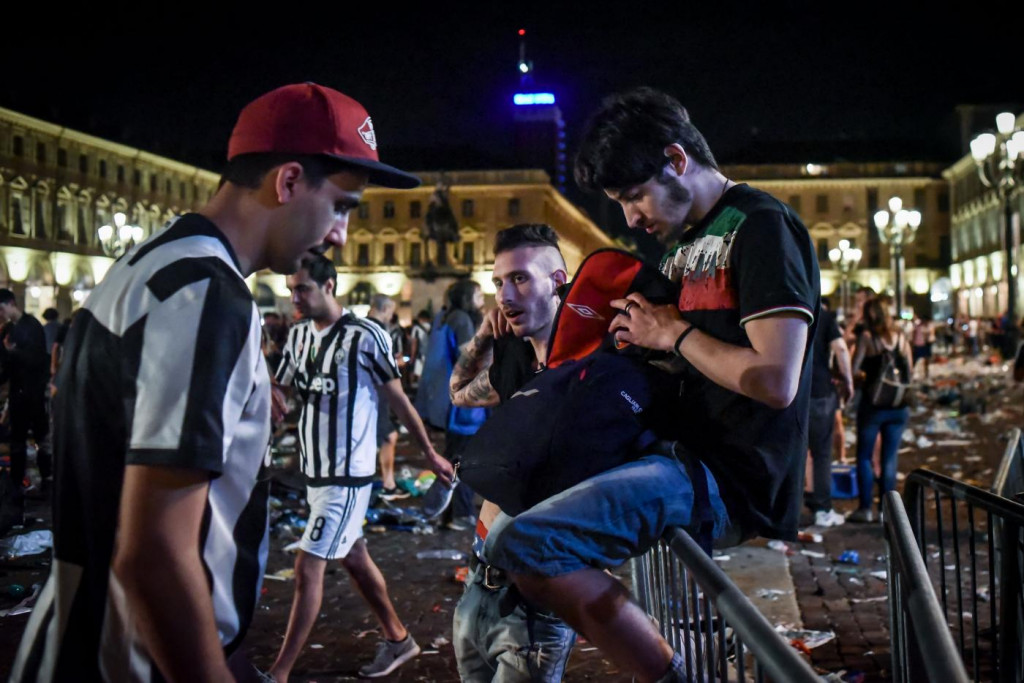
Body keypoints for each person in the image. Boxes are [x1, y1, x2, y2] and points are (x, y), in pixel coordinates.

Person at [11, 82, 422, 682]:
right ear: (286, 182)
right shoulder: (209, 294)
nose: (340, 234)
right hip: (140, 653)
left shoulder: (155, 261)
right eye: (342, 206)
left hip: (89, 631)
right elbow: (154, 552)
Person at [486, 87, 819, 682]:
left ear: (676, 159)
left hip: (726, 474)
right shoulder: (682, 249)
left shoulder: (763, 225)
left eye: (634, 195)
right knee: (504, 516)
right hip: (672, 452)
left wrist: (673, 336)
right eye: (620, 201)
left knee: (525, 545)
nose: (631, 217)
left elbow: (776, 379)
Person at [266, 257, 452, 681]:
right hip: (313, 471)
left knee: (307, 564)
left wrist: (427, 451)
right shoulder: (296, 337)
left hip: (348, 475)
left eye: (303, 289)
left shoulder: (366, 336)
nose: (294, 297)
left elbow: (399, 401)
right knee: (354, 556)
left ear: (330, 285)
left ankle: (278, 673)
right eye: (291, 289)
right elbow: (280, 387)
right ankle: (399, 638)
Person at [448, 224, 575, 682]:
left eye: (520, 278)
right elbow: (459, 390)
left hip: (538, 591)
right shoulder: (514, 358)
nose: (504, 294)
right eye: (498, 281)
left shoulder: (589, 368)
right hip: (482, 576)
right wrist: (485, 331)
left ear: (558, 281)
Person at [849, 296, 913, 523]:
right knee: (889, 458)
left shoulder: (867, 338)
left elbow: (854, 369)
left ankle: (865, 508)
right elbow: (910, 372)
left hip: (873, 405)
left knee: (865, 456)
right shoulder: (901, 338)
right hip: (898, 406)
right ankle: (888, 511)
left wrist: (862, 378)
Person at [0, 290, 52, 531]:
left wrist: (11, 353)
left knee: (40, 438)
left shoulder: (31, 326)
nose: (1, 315)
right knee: (19, 441)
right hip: (19, 394)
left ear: (11, 303)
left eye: (2, 309)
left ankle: (47, 481)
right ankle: (17, 484)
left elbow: (36, 359)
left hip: (32, 393)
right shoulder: (11, 329)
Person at [805, 298, 854, 527]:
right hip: (820, 392)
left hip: (790, 392)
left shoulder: (788, 311)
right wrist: (848, 381)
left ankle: (786, 515)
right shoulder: (825, 318)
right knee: (822, 454)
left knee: (793, 454)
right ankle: (822, 509)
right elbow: (841, 349)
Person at [366, 294, 405, 500]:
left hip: (368, 392)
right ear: (385, 308)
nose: (392, 315)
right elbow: (383, 367)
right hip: (376, 392)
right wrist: (395, 364)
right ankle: (387, 485)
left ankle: (385, 483)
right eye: (391, 311)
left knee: (383, 436)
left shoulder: (361, 326)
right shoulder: (379, 331)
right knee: (388, 436)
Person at [910, 314, 934, 379]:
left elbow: (931, 335)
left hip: (925, 344)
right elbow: (914, 335)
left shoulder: (928, 326)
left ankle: (926, 373)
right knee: (915, 360)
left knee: (926, 359)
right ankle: (912, 373)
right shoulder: (918, 326)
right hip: (918, 344)